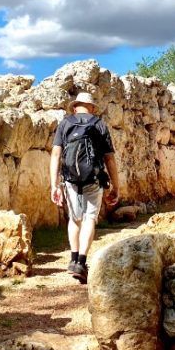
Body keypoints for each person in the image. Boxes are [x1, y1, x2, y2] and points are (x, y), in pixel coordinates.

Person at [49, 92, 120, 283]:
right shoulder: (98, 124)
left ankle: (73, 259)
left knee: (74, 218)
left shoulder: (65, 123)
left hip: (70, 179)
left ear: (75, 107)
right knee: (89, 218)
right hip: (94, 179)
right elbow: (109, 158)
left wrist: (53, 185)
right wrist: (116, 186)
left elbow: (56, 155)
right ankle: (81, 262)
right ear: (92, 108)